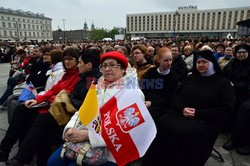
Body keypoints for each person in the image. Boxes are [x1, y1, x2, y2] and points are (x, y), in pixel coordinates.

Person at [47, 51, 144, 166]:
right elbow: (82, 111)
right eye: (104, 66)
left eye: (112, 65)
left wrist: (88, 135)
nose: (107, 69)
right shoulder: (97, 87)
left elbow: (126, 131)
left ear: (123, 69)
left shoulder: (133, 93)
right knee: (52, 162)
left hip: (112, 150)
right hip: (82, 137)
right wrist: (70, 128)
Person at [150, 50, 234, 166]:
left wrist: (198, 113)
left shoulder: (223, 83)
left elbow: (226, 108)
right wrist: (182, 109)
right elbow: (175, 94)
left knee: (189, 134)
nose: (200, 65)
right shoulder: (190, 78)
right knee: (163, 122)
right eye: (198, 62)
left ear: (212, 63)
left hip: (205, 119)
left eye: (204, 62)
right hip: (182, 113)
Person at [0, 46, 81, 164]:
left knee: (27, 115)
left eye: (71, 59)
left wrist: (46, 99)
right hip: (50, 104)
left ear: (78, 61)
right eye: (66, 59)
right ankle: (5, 149)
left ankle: (18, 156)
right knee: (21, 109)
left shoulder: (76, 76)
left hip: (58, 110)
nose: (67, 61)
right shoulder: (66, 74)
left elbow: (64, 96)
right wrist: (37, 100)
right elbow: (53, 90)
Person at [222, 44, 250, 150]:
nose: (241, 54)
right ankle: (226, 127)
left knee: (243, 109)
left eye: (244, 52)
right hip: (232, 91)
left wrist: (235, 85)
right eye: (239, 52)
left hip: (245, 93)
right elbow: (224, 74)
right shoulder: (233, 62)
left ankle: (237, 139)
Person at [142, 47, 178, 122]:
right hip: (147, 101)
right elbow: (145, 89)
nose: (169, 63)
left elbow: (169, 97)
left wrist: (152, 103)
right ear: (159, 60)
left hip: (163, 106)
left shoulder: (173, 76)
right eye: (166, 60)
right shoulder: (151, 72)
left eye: (170, 60)